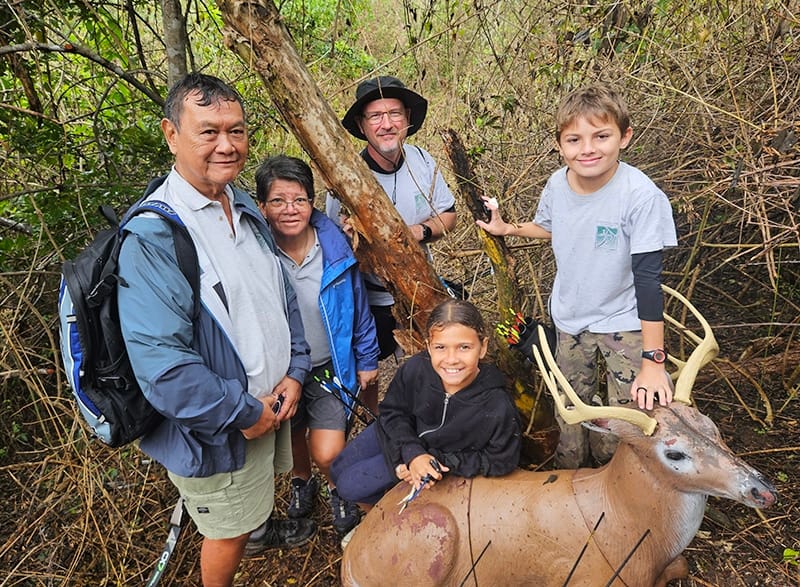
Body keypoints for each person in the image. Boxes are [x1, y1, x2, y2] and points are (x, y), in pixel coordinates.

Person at [117, 73, 315, 587]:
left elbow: (279, 295)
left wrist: (294, 370)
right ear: (171, 134)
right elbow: (163, 369)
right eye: (209, 132)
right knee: (228, 533)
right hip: (223, 428)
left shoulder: (244, 205)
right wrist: (243, 412)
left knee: (246, 517)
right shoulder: (156, 236)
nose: (227, 145)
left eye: (237, 130)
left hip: (269, 408)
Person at [476, 82, 678, 469]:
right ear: (559, 144)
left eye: (601, 136)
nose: (587, 149)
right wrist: (510, 229)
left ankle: (613, 479)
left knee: (626, 419)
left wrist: (654, 360)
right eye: (574, 139)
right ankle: (570, 480)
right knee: (571, 408)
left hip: (624, 322)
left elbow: (649, 281)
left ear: (625, 137)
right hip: (569, 319)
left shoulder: (640, 196)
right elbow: (553, 226)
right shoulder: (557, 183)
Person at [253, 154, 380, 537]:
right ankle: (301, 481)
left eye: (300, 199)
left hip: (330, 367)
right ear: (262, 206)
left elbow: (358, 306)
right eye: (278, 200)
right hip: (281, 371)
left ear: (312, 201)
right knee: (293, 437)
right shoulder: (255, 253)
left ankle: (338, 485)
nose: (290, 210)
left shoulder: (334, 246)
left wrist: (367, 356)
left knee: (328, 449)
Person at [326, 75, 458, 413]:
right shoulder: (347, 177)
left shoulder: (422, 161)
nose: (387, 124)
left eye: (395, 114)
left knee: (428, 365)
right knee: (368, 374)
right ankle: (374, 427)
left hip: (418, 288)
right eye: (376, 116)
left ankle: (428, 423)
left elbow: (448, 215)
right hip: (368, 298)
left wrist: (418, 233)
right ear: (362, 124)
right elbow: (336, 246)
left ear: (408, 120)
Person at [330, 299, 521, 510]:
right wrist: (409, 456)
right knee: (338, 470)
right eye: (441, 347)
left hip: (437, 459)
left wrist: (434, 462)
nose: (451, 359)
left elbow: (501, 460)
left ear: (482, 347)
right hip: (397, 437)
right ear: (429, 347)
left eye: (464, 347)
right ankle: (385, 502)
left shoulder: (497, 406)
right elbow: (392, 411)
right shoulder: (415, 369)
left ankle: (388, 517)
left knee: (349, 487)